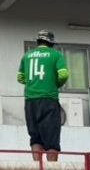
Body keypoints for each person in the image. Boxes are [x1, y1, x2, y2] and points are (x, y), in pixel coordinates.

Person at [17, 30, 69, 162]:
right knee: (52, 138)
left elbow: (20, 77)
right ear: (51, 43)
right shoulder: (56, 55)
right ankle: (51, 168)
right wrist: (55, 84)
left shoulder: (26, 56)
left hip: (30, 101)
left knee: (35, 136)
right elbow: (63, 74)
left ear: (38, 41)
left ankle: (37, 167)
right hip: (49, 99)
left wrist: (33, 83)